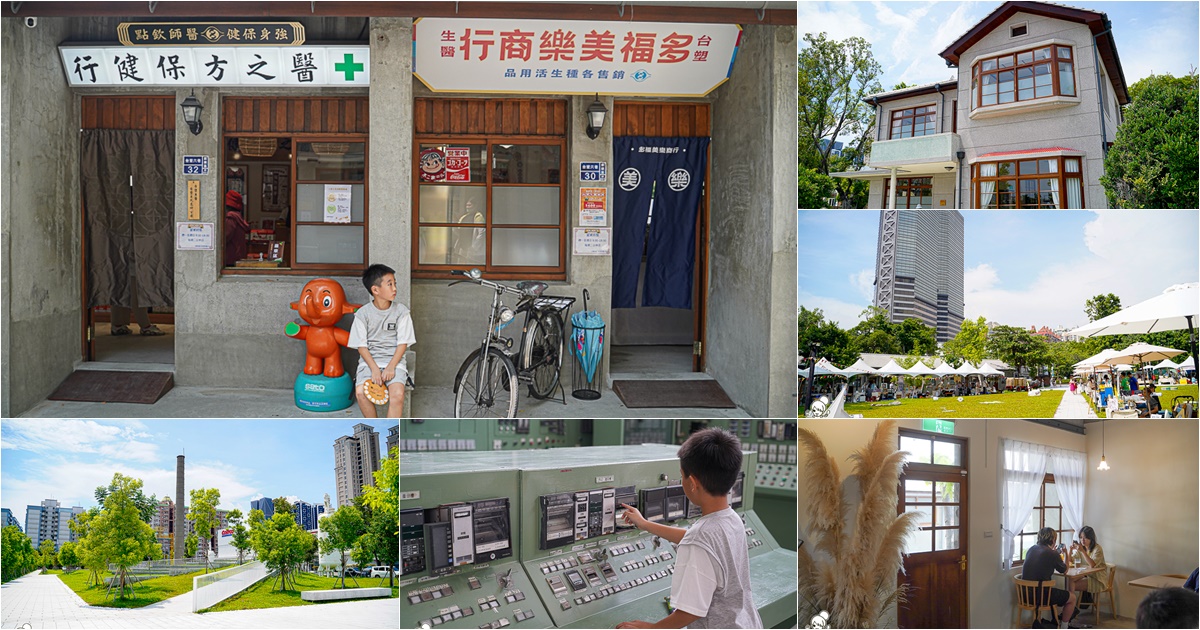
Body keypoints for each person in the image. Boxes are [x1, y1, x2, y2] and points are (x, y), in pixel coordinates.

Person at [616, 428, 762, 629]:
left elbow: (690, 611)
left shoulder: (701, 539)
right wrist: (645, 524)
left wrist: (650, 628)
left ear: (692, 483)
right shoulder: (731, 518)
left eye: (682, 476)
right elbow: (698, 540)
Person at [348, 264, 416, 419]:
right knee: (360, 393)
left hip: (395, 361)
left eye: (395, 283)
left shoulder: (402, 312)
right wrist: (374, 369)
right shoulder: (362, 314)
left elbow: (403, 344)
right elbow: (362, 347)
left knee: (397, 395)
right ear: (375, 290)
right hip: (369, 362)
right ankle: (376, 427)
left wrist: (391, 367)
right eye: (389, 284)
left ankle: (392, 430)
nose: (394, 289)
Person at [1022, 527, 1080, 629]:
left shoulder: (1031, 549)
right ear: (1053, 540)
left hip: (1025, 595)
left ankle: (1056, 622)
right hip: (1041, 596)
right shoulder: (1052, 553)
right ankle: (1064, 627)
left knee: (1056, 592)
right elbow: (1065, 570)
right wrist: (1065, 553)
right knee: (1072, 598)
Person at [1067, 526, 1110, 620]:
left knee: (1071, 584)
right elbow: (1070, 560)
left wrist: (1082, 551)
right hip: (1086, 575)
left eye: (1085, 538)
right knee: (1071, 580)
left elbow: (1092, 565)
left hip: (1097, 579)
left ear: (1091, 538)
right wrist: (1070, 550)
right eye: (1081, 537)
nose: (1082, 540)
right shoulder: (1081, 548)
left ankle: (1071, 609)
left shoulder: (1097, 549)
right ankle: (1071, 608)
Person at [224, 190, 250, 267]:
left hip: (230, 257)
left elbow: (225, 237)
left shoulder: (230, 217)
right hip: (238, 256)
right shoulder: (238, 217)